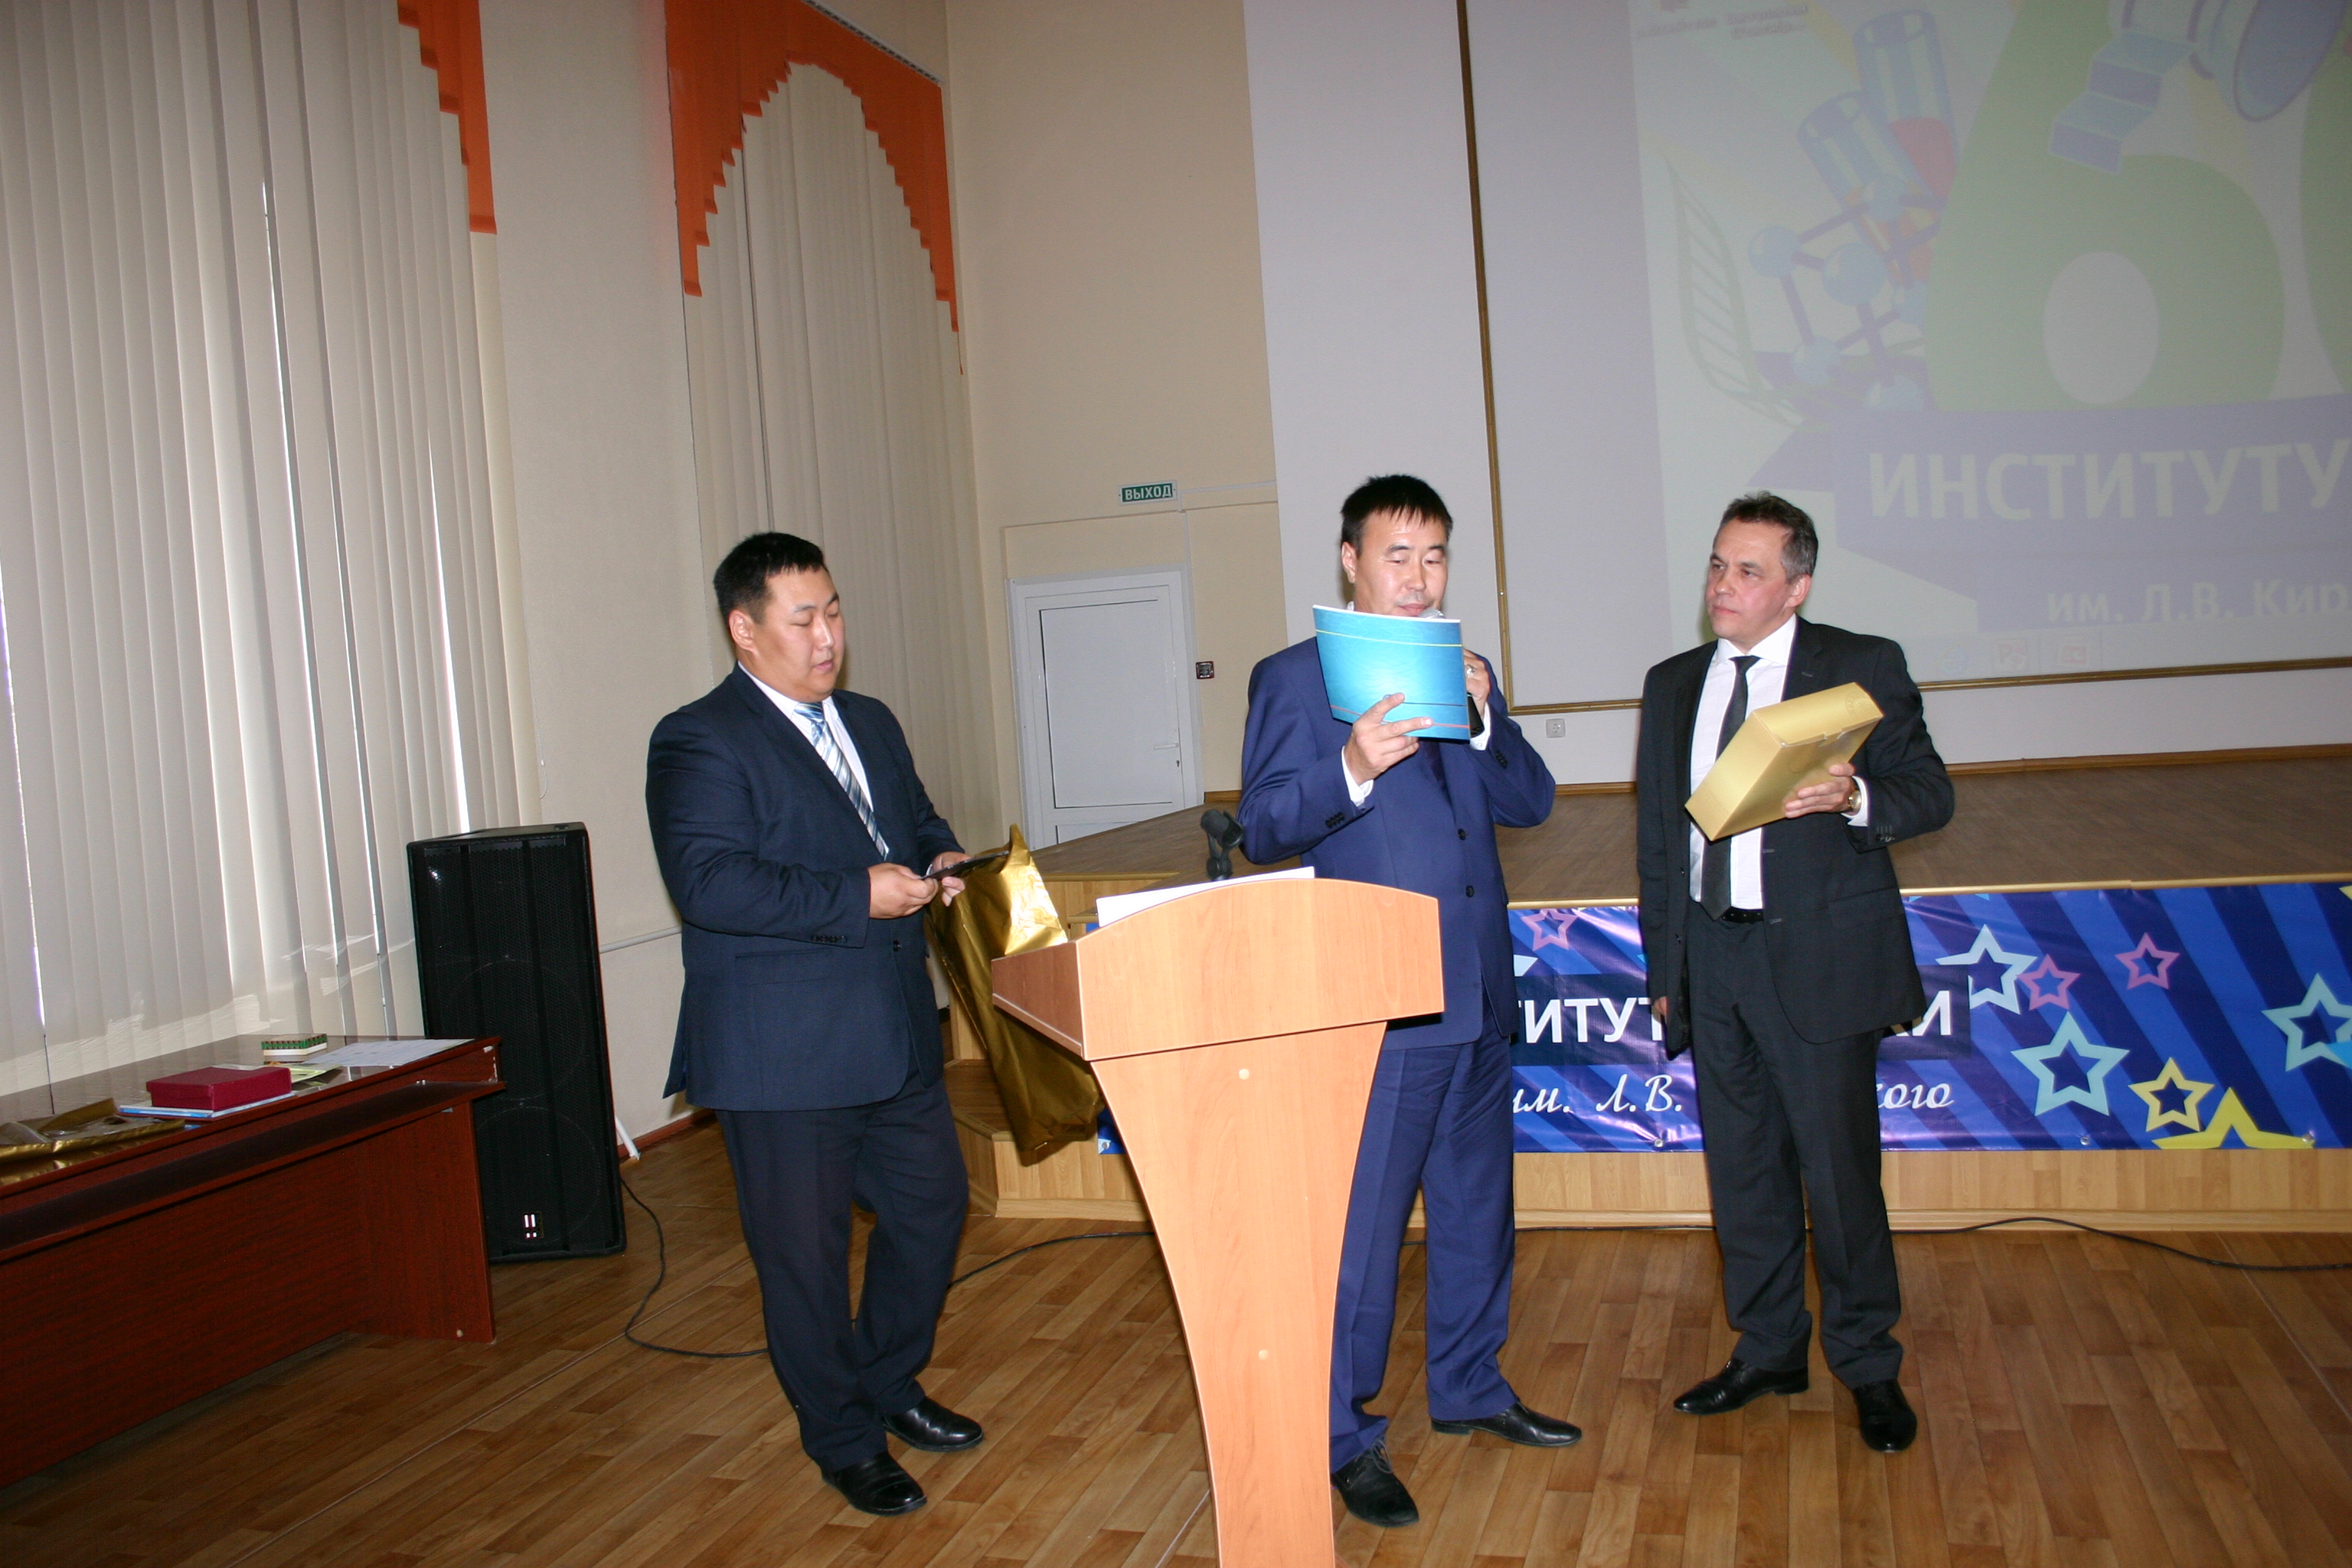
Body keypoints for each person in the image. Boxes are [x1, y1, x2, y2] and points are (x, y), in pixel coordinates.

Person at [1239, 474, 1577, 1530]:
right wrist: (1349, 766)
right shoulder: (1296, 679)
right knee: (1365, 1236)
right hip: (1376, 1005)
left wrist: (1484, 722)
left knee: (1478, 1212)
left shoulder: (1462, 671)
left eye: (1434, 556)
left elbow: (1530, 801)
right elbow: (1263, 825)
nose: (1420, 577)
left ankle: (1471, 1386)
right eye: (1398, 555)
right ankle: (1341, 1435)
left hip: (1476, 987)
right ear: (1351, 561)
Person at [646, 532, 982, 1517]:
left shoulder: (869, 719)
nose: (828, 635)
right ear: (744, 629)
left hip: (893, 1030)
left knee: (932, 1209)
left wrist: (941, 855)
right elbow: (709, 882)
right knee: (805, 1259)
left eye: (833, 610)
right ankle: (842, 1437)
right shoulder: (701, 737)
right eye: (803, 619)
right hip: (781, 1049)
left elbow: (913, 818)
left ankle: (887, 1378)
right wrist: (855, 893)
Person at [1634, 492, 1952, 1454]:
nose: (1722, 584)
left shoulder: (1858, 667)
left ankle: (1869, 1364)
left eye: (1748, 570)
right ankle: (1770, 1348)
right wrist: (1666, 965)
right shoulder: (1672, 683)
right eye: (1717, 564)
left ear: (1797, 587)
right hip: (1712, 955)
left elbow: (1930, 791)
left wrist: (1856, 795)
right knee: (1744, 1174)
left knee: (1840, 1178)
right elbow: (1659, 842)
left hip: (1819, 958)